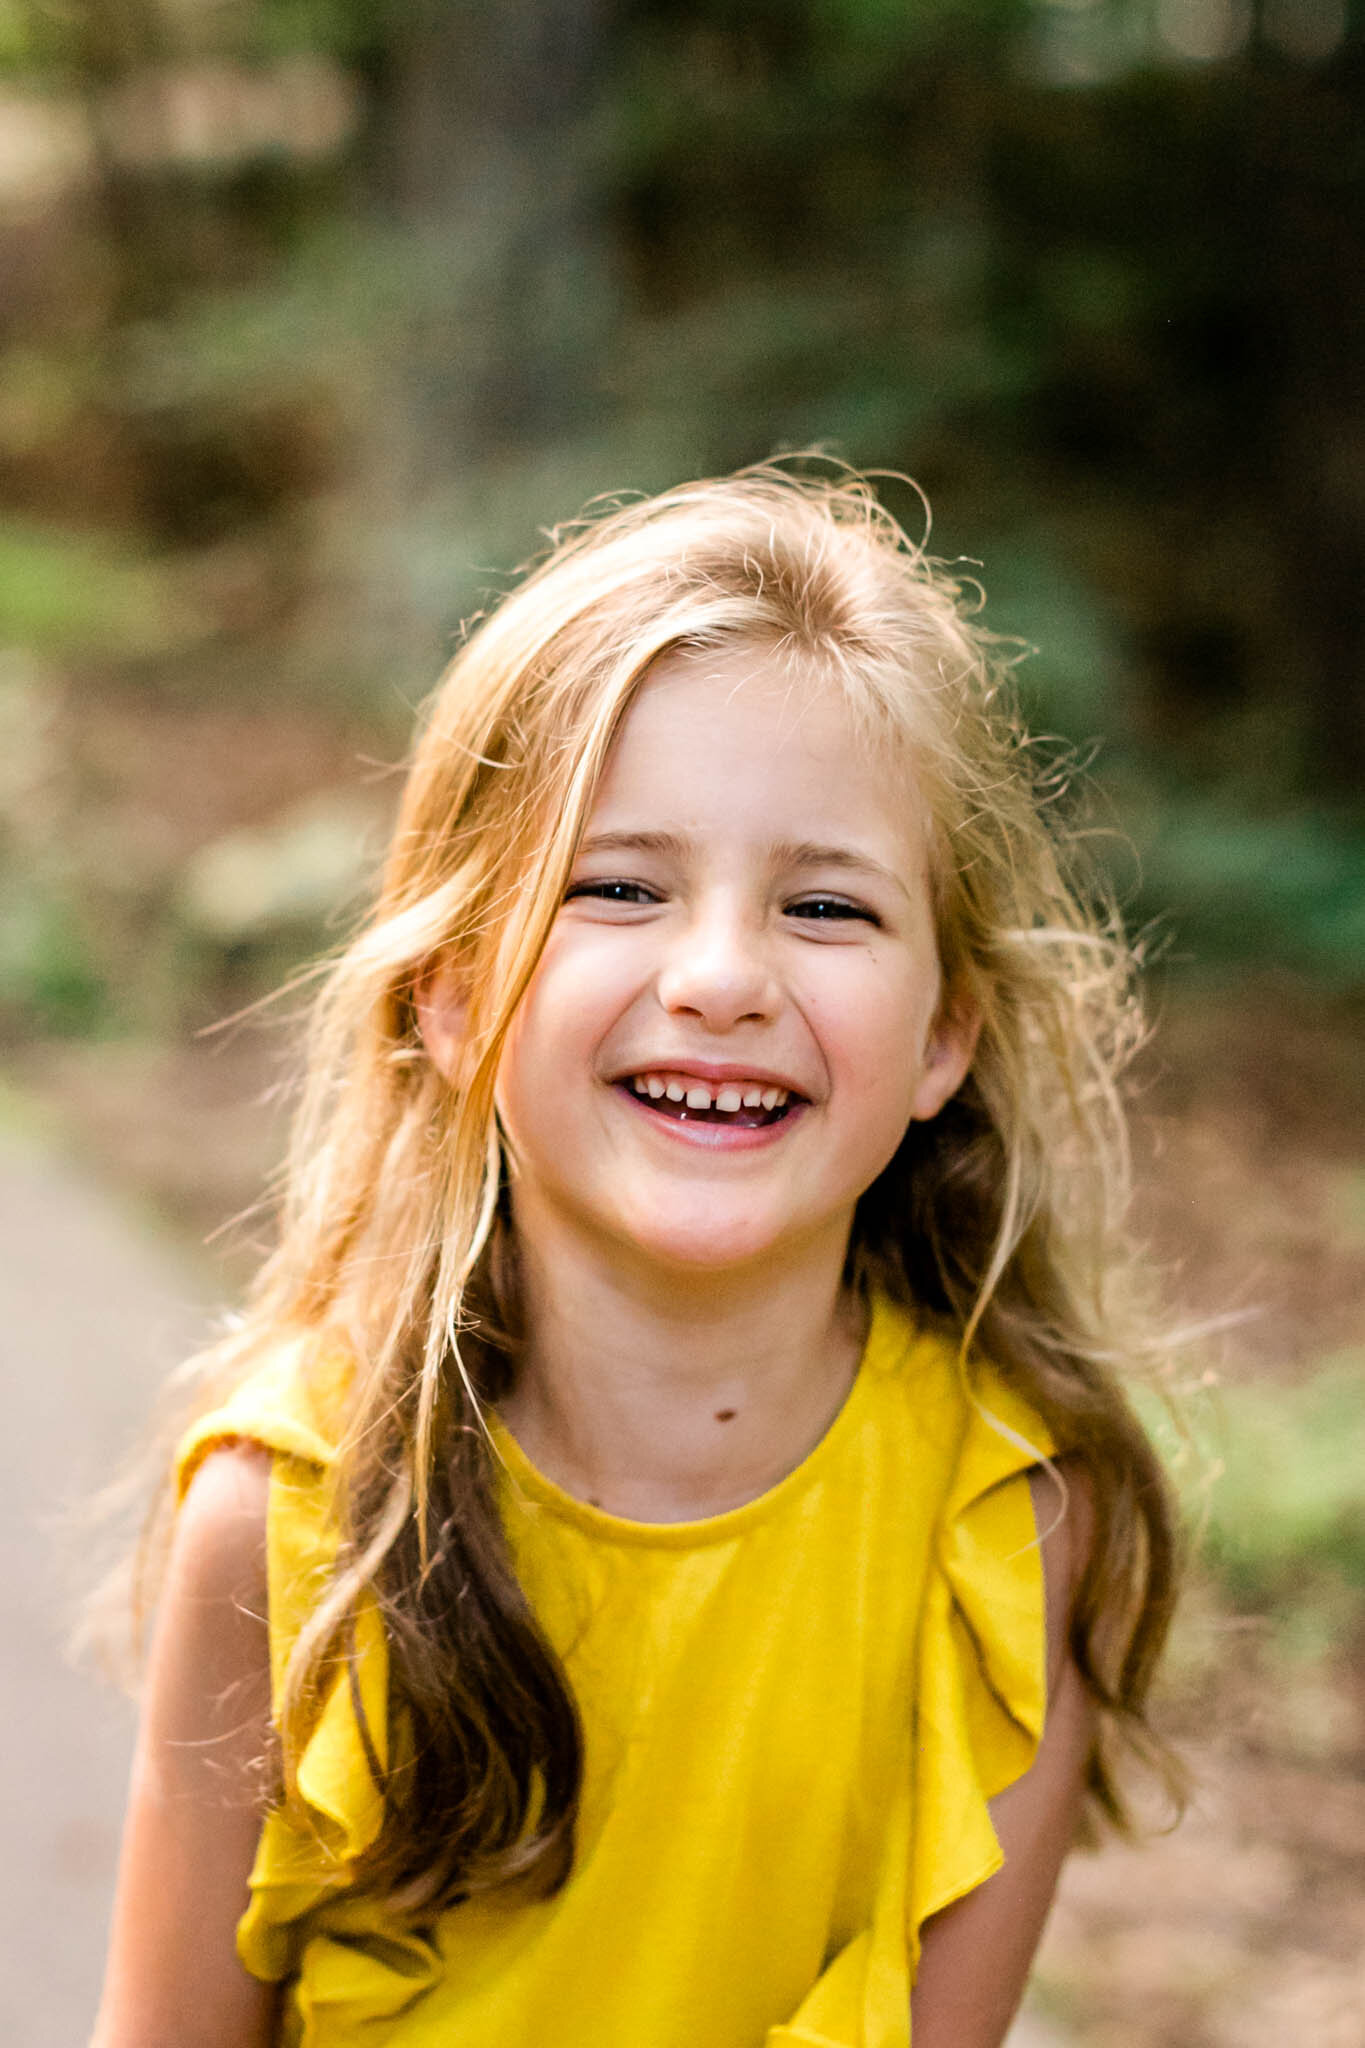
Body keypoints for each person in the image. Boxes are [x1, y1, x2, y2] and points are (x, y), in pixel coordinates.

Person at [90, 465, 1180, 2048]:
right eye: (616, 887)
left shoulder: (1007, 1522)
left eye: (824, 904)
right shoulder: (282, 1523)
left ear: (945, 1032)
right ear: (454, 994)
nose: (722, 975)